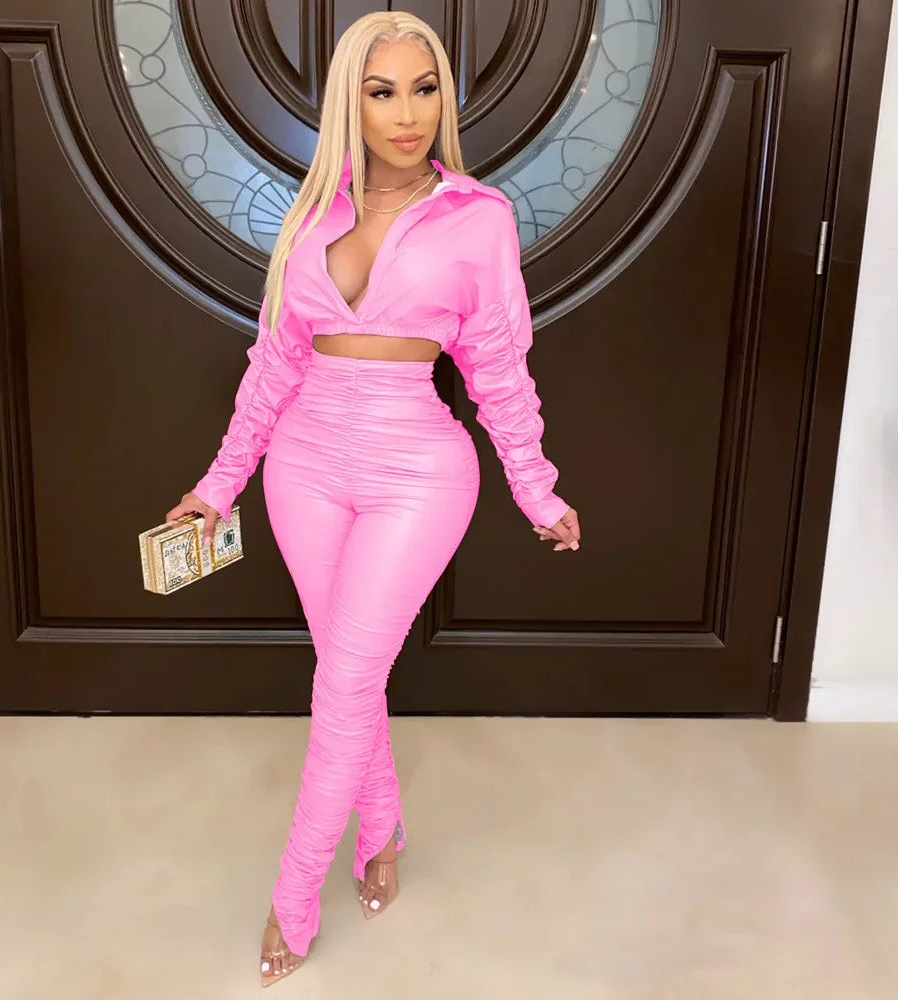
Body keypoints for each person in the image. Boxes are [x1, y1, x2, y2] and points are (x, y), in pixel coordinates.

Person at [165, 10, 581, 987]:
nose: (407, 113)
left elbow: (498, 366)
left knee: (345, 682)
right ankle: (382, 828)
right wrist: (218, 484)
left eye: (424, 89)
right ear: (349, 102)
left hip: (416, 470)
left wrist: (535, 486)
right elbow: (273, 365)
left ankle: (294, 893)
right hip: (303, 465)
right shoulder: (312, 214)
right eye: (382, 91)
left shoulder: (477, 217)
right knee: (350, 675)